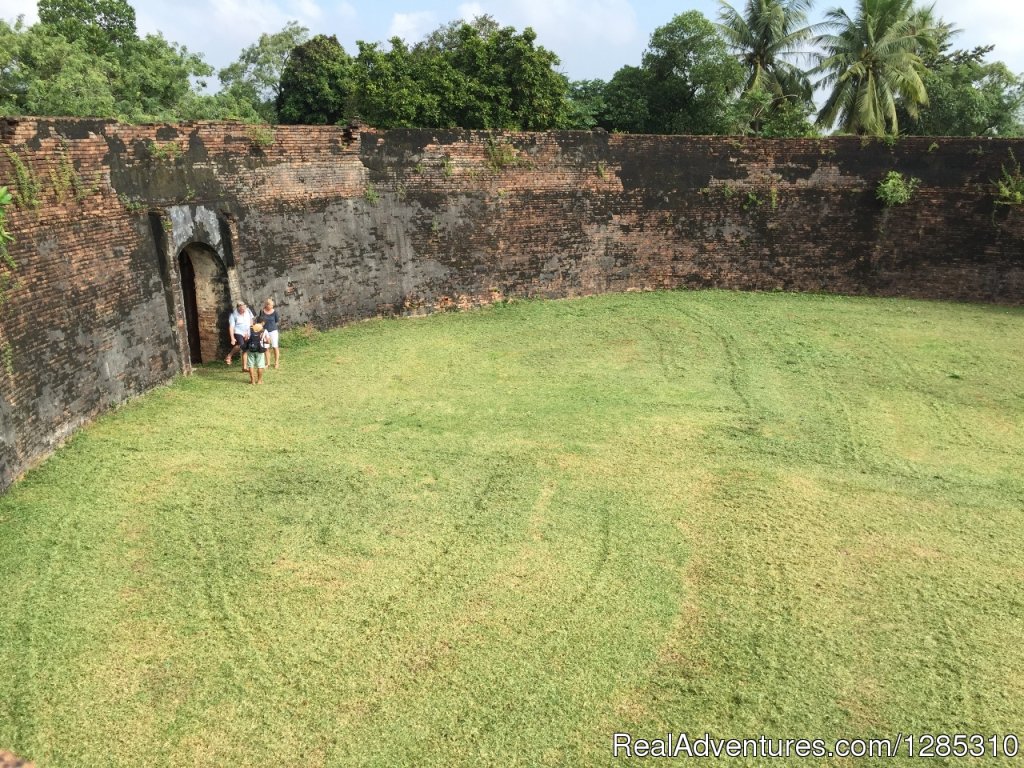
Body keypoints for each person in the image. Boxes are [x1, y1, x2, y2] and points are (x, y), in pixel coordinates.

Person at [226, 301, 254, 370]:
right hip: (239, 332)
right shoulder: (233, 315)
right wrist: (232, 338)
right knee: (242, 346)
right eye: (241, 309)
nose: (243, 310)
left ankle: (244, 367)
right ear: (238, 308)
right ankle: (230, 355)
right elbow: (231, 327)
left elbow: (251, 320)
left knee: (245, 349)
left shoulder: (248, 311)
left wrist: (249, 331)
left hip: (247, 331)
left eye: (244, 309)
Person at [245, 320, 271, 385]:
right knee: (260, 365)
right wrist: (264, 341)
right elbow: (268, 341)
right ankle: (259, 381)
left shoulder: (250, 329)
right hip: (260, 350)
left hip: (251, 350)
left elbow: (245, 339)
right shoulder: (264, 331)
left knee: (251, 365)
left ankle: (252, 381)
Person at [259, 298, 281, 369]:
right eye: (271, 305)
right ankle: (268, 363)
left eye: (272, 305)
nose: (272, 307)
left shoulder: (275, 312)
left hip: (273, 331)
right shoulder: (262, 311)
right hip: (265, 331)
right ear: (267, 305)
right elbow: (260, 321)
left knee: (275, 346)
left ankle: (276, 363)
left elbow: (276, 321)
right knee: (266, 347)